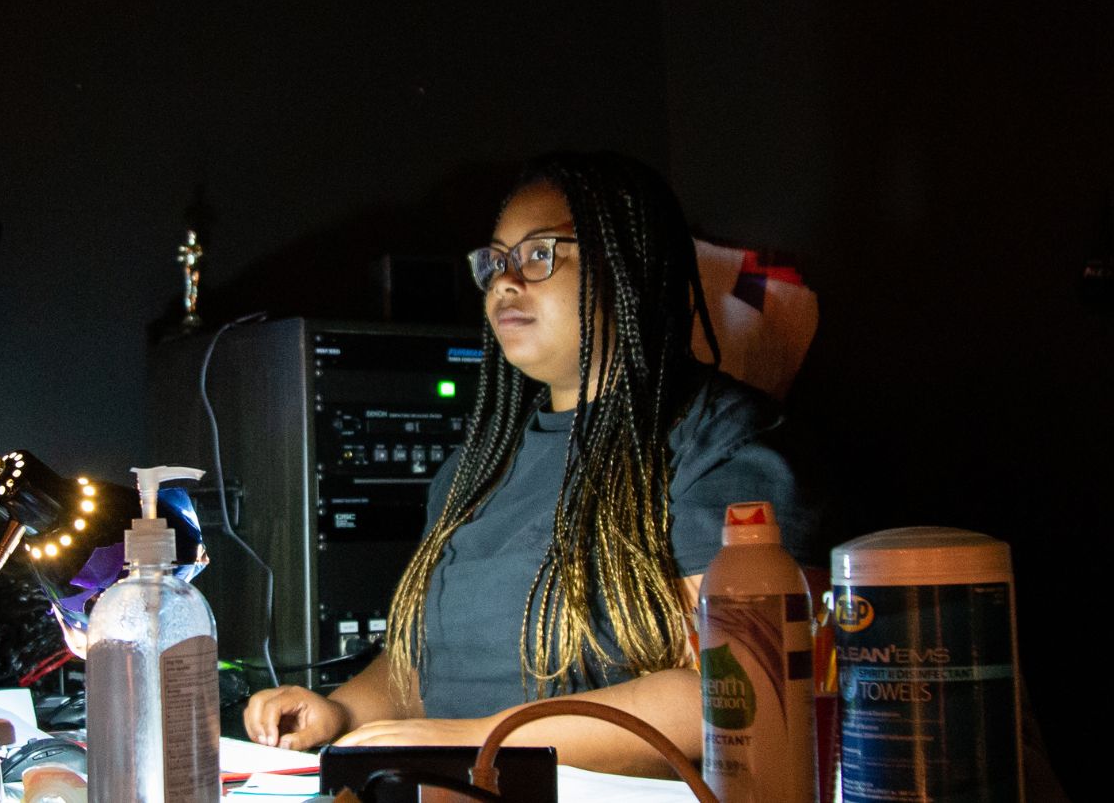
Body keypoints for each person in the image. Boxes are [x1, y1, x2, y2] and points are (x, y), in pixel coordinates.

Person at [242, 151, 823, 777]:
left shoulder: (718, 439)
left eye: (539, 253)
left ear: (628, 264)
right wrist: (341, 713)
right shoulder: (474, 469)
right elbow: (423, 668)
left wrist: (478, 740)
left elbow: (725, 690)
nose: (504, 281)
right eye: (496, 261)